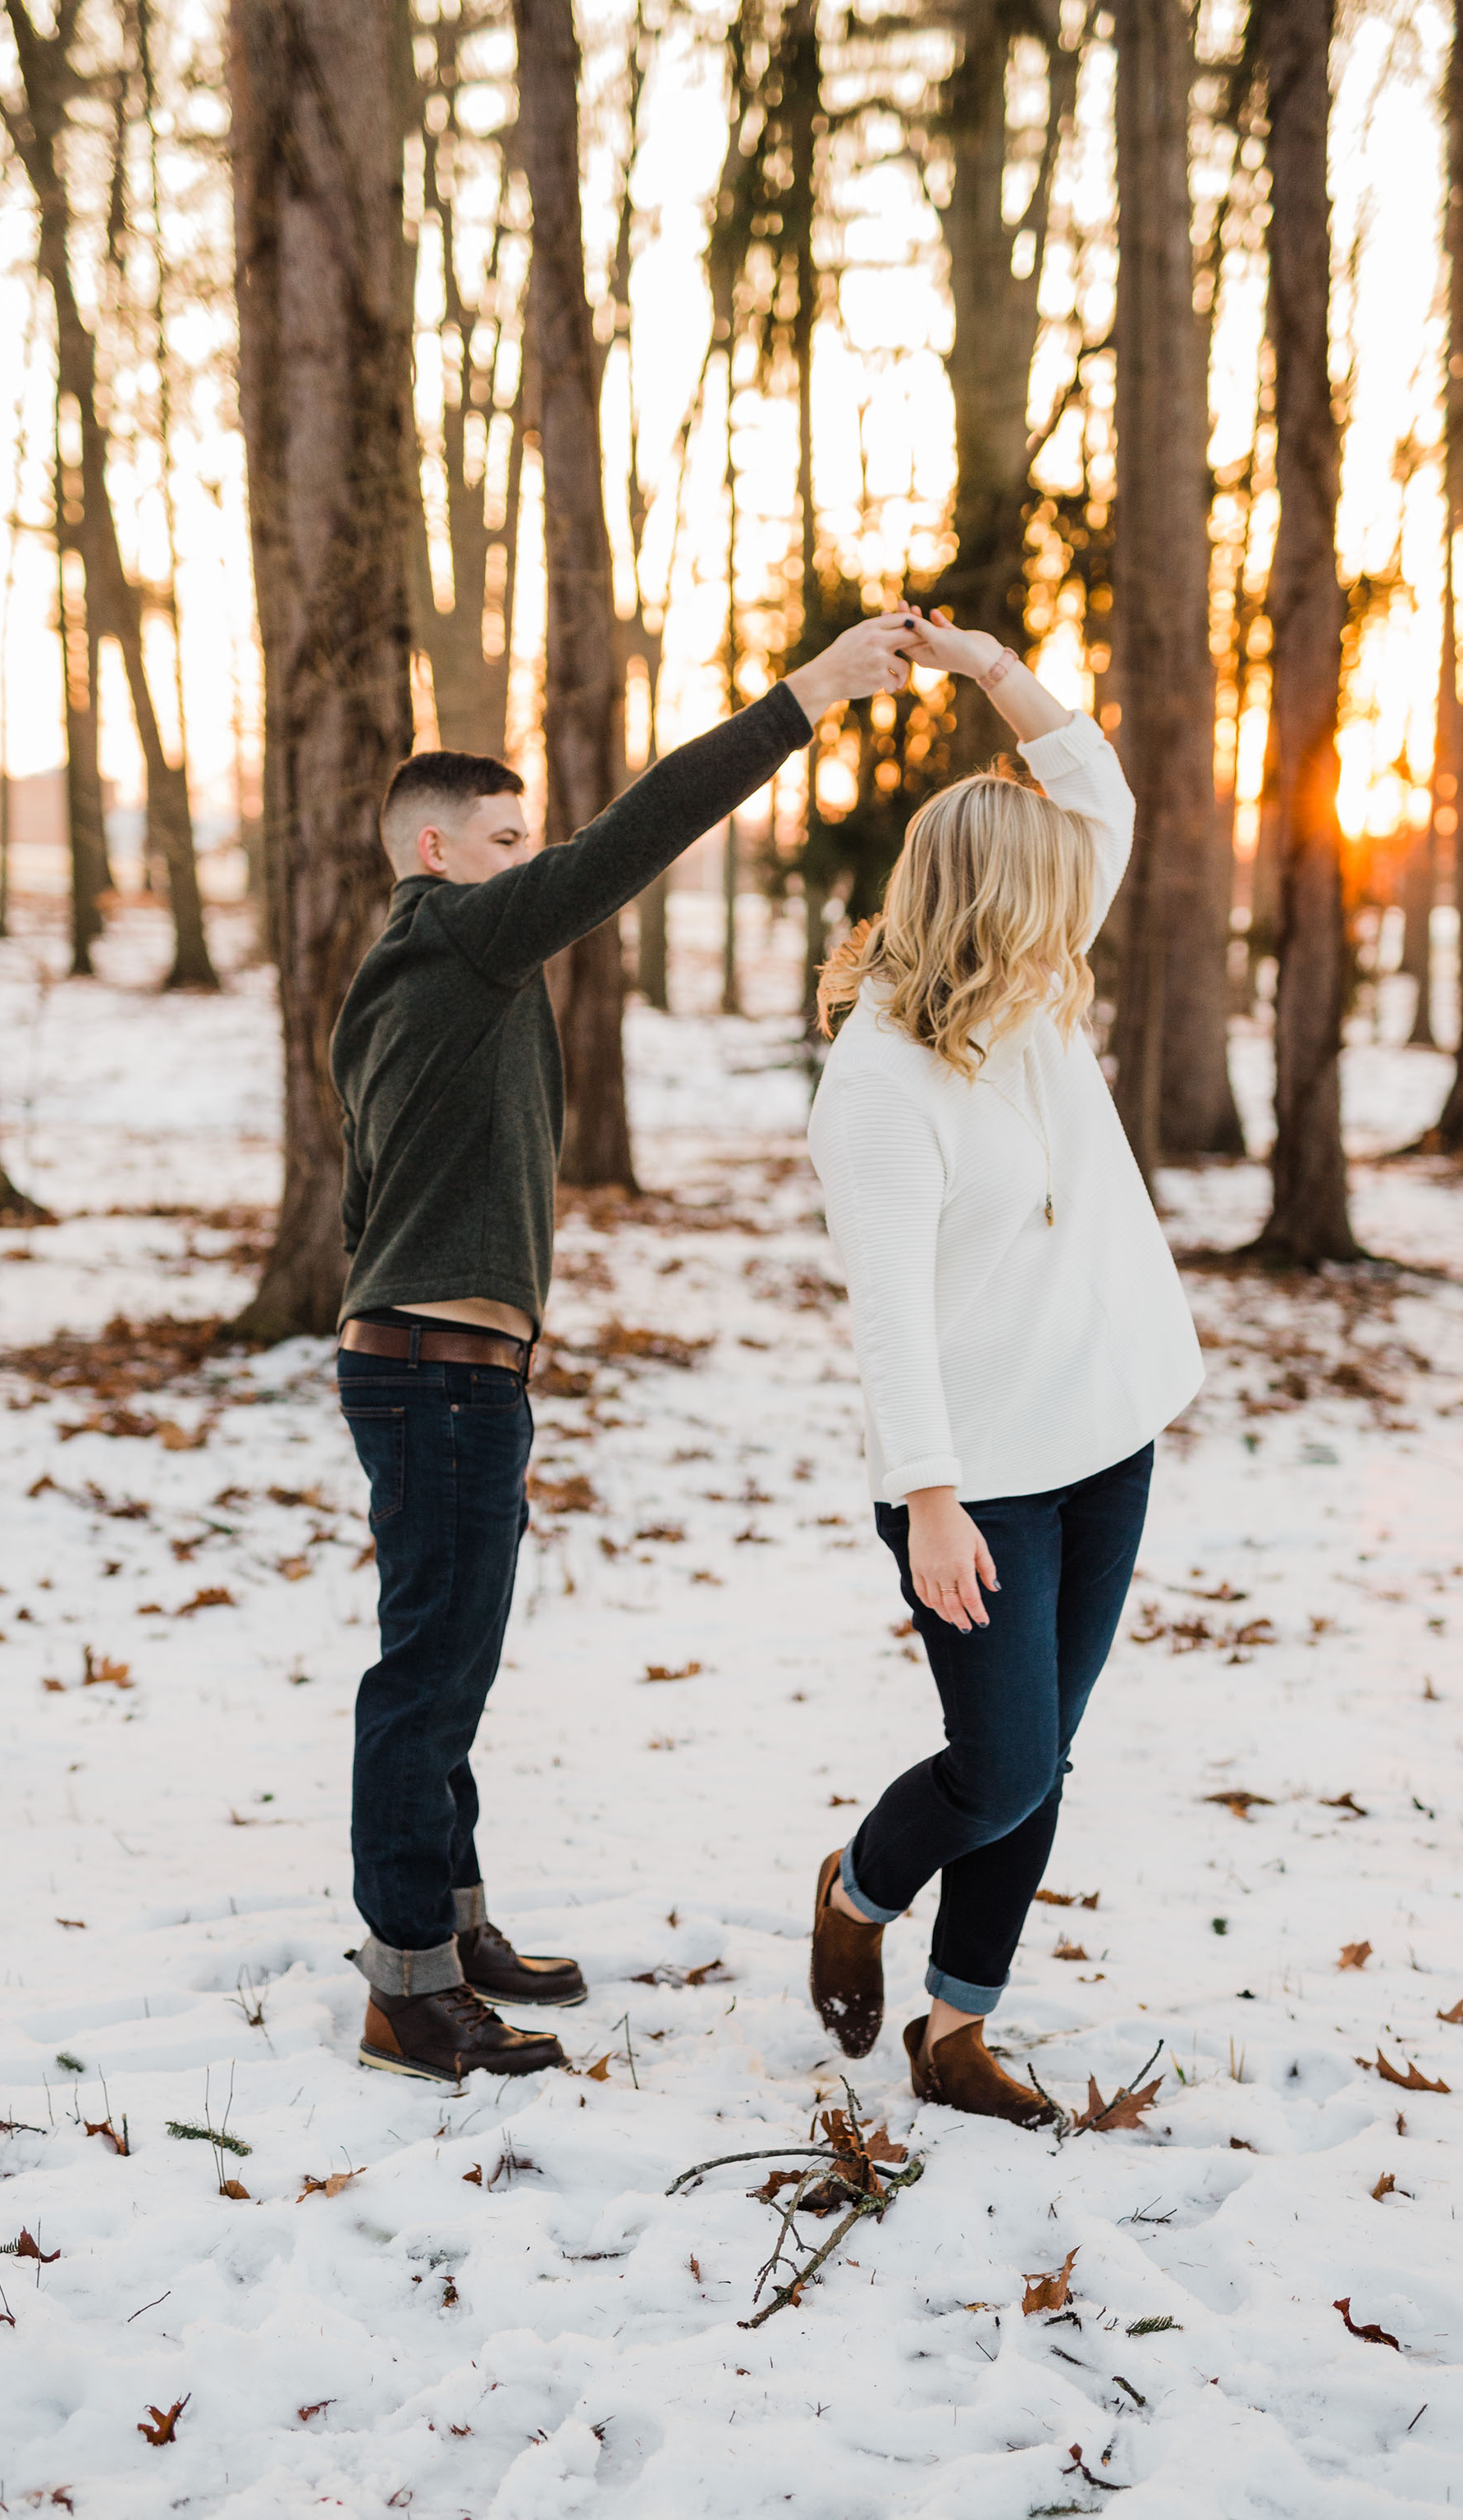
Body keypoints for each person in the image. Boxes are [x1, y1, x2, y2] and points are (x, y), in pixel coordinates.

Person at [331, 613, 918, 2090]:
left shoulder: (421, 975)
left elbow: (367, 1187)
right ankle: (406, 1989)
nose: (536, 856)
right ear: (436, 853)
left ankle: (450, 1930)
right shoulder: (463, 933)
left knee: (448, 1662)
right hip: (441, 1373)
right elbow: (641, 832)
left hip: (435, 1364)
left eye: (530, 834)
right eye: (509, 834)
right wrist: (808, 697)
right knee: (428, 1673)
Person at [804, 608, 1203, 2125]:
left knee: (1046, 1764)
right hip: (977, 1483)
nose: (1077, 919)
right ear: (992, 907)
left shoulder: (1027, 998)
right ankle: (857, 1884)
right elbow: (888, 1318)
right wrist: (930, 1502)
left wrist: (988, 671)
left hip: (1108, 1432)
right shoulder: (882, 1089)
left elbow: (1092, 789)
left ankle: (955, 2032)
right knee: (1003, 1764)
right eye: (1051, 900)